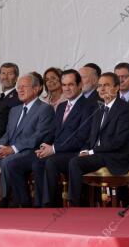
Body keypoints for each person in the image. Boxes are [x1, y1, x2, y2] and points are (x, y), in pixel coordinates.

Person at [0, 74, 55, 207]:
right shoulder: (15, 110)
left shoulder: (45, 109)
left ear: (36, 88)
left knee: (8, 161)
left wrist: (13, 149)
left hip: (28, 151)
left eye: (24, 87)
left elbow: (38, 136)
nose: (19, 90)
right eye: (18, 87)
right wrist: (1, 146)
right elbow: (7, 133)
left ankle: (5, 200)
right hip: (8, 150)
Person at [67, 72, 129, 206]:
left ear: (116, 88)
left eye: (106, 85)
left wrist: (92, 152)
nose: (102, 89)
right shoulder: (98, 108)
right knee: (73, 159)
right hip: (99, 154)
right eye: (99, 86)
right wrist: (85, 150)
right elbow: (91, 137)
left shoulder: (126, 109)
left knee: (75, 163)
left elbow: (119, 141)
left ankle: (74, 205)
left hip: (115, 156)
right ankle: (87, 203)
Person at [38, 70, 94, 207]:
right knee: (36, 159)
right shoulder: (62, 106)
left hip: (77, 152)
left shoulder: (89, 106)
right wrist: (44, 145)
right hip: (59, 151)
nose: (67, 88)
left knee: (51, 162)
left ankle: (50, 204)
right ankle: (37, 204)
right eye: (64, 85)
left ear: (80, 84)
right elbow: (54, 131)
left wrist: (54, 149)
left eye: (70, 84)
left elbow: (81, 138)